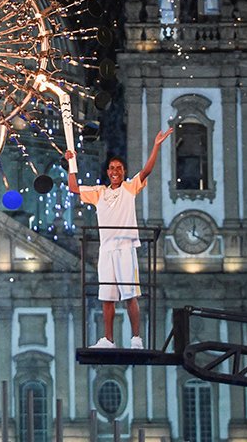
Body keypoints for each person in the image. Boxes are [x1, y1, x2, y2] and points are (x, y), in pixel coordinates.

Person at [67, 128, 173, 349]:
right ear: (108, 172)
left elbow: (147, 170)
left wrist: (156, 146)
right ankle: (108, 339)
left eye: (119, 168)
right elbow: (73, 187)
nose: (115, 171)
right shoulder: (99, 192)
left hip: (125, 248)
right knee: (107, 298)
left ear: (124, 172)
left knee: (130, 295)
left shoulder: (129, 188)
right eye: (112, 168)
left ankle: (136, 338)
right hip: (106, 250)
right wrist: (71, 163)